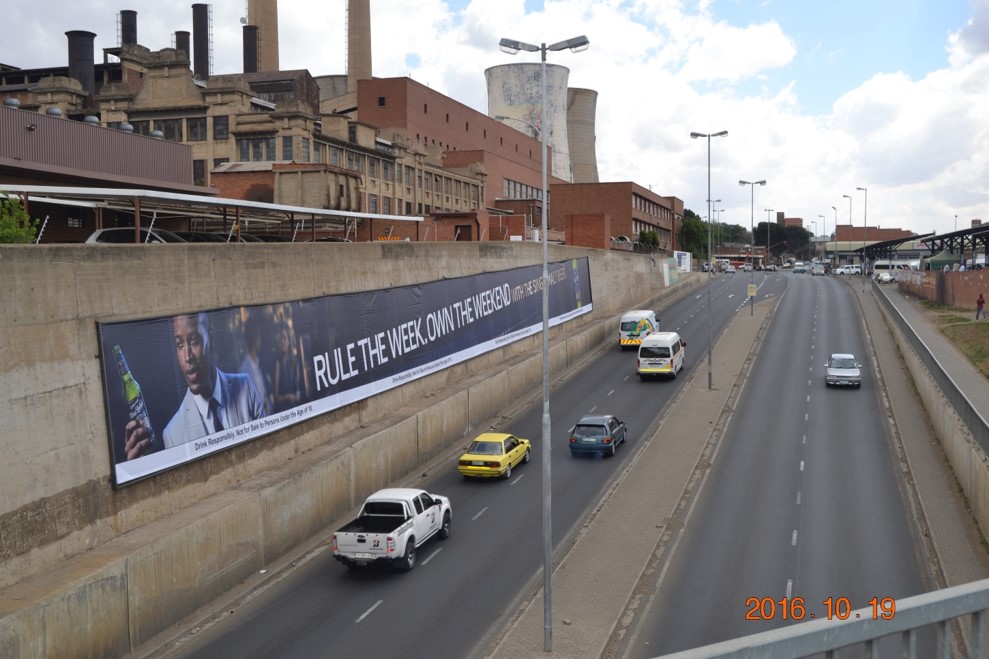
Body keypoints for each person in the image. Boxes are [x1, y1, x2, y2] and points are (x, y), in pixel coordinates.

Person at [124, 312, 268, 458]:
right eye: (179, 344)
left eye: (194, 340)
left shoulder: (245, 387)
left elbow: (267, 449)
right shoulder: (172, 435)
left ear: (210, 339)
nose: (187, 357)